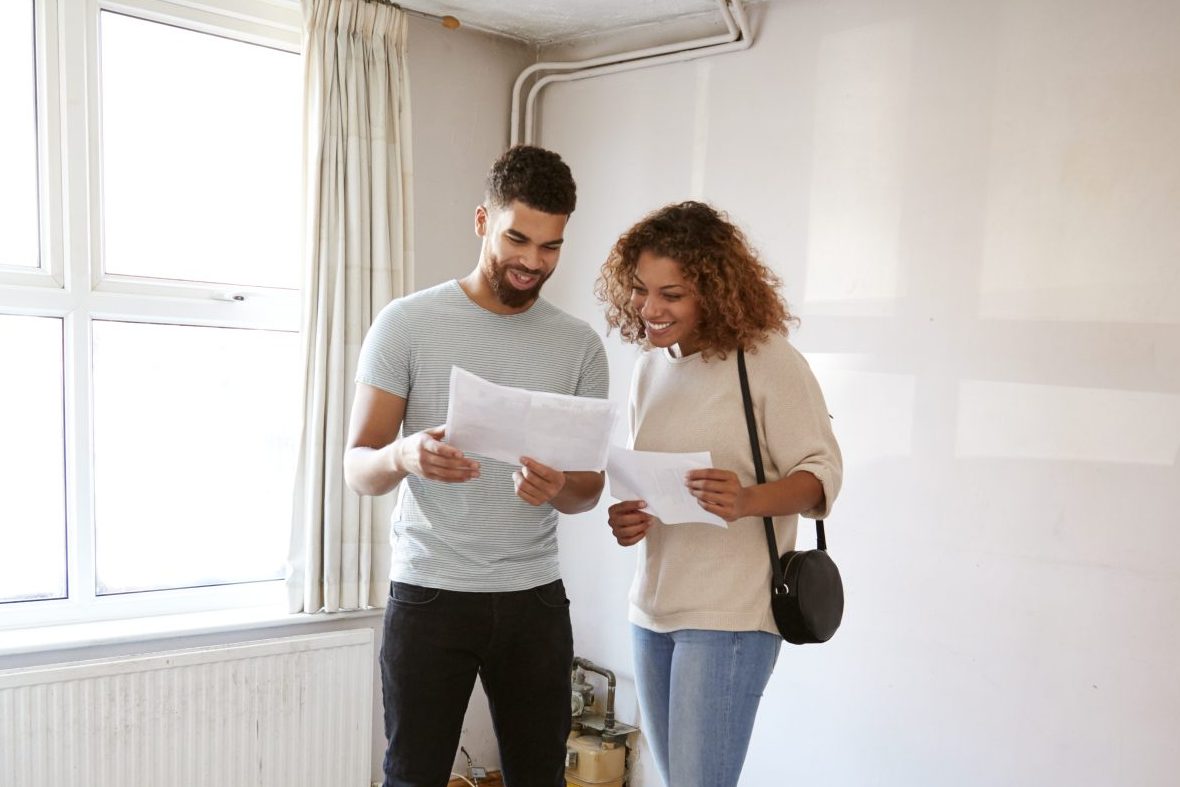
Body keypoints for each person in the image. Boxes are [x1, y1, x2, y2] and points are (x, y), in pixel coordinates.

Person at [344, 145, 609, 787]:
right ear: (482, 221)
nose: (532, 262)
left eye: (550, 247)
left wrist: (558, 487)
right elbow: (359, 466)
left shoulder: (578, 345)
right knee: (414, 775)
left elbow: (588, 491)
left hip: (534, 599)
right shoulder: (406, 323)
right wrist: (405, 455)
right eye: (519, 239)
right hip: (431, 592)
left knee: (539, 776)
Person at [594, 200, 842, 787]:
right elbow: (657, 482)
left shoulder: (766, 360)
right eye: (640, 290)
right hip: (650, 610)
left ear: (714, 290)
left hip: (731, 614)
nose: (650, 309)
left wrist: (747, 499)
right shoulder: (650, 370)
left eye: (671, 294)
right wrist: (632, 518)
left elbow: (822, 475)